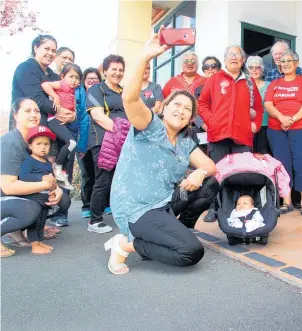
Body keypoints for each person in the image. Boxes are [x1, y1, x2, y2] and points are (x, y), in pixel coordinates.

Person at [104, 28, 219, 274]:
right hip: (137, 207)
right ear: (164, 108)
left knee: (210, 183)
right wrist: (145, 57)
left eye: (187, 109)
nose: (181, 110)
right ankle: (125, 244)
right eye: (176, 104)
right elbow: (130, 98)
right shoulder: (149, 126)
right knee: (190, 252)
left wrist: (198, 173)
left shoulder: (185, 141)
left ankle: (171, 232)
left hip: (164, 201)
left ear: (191, 118)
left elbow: (210, 167)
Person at [198, 44, 263, 222]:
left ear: (243, 60)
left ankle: (240, 208)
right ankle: (214, 207)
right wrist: (211, 121)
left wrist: (255, 124)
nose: (234, 57)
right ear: (225, 59)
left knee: (241, 174)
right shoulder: (214, 79)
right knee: (216, 173)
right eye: (230, 55)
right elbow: (202, 104)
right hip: (218, 136)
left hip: (242, 137)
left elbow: (258, 107)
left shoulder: (249, 82)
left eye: (238, 55)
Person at [1, 98, 71, 258]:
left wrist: (56, 189)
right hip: (4, 195)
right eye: (27, 111)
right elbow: (8, 187)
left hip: (20, 193)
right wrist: (46, 186)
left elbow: (47, 176)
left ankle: (27, 228)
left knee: (62, 200)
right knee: (32, 209)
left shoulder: (38, 143)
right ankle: (22, 222)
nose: (33, 114)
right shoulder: (11, 142)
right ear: (15, 115)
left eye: (37, 111)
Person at [264, 50, 302, 216]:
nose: (285, 63)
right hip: (277, 129)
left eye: (289, 60)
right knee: (283, 165)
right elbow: (268, 105)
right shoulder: (274, 83)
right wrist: (282, 118)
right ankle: (286, 201)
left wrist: (292, 119)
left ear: (296, 63)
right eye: (283, 61)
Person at [85, 54, 127, 234]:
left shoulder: (124, 91)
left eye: (120, 70)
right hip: (103, 140)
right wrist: (121, 133)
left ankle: (122, 214)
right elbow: (97, 115)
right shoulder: (96, 89)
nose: (117, 73)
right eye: (114, 69)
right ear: (105, 71)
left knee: (121, 180)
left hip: (124, 141)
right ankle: (95, 220)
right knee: (102, 180)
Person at [18, 126, 62, 254]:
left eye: (46, 144)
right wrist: (41, 178)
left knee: (42, 221)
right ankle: (34, 245)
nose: (43, 147)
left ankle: (40, 241)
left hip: (45, 198)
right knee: (35, 221)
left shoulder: (47, 162)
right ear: (30, 145)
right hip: (33, 198)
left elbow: (52, 178)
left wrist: (54, 188)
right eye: (38, 144)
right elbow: (24, 176)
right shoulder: (29, 161)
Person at [41, 63, 82, 188]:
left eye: (77, 77)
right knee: (71, 143)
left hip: (63, 121)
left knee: (70, 148)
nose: (74, 80)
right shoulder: (62, 84)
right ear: (63, 76)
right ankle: (57, 167)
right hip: (54, 119)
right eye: (71, 76)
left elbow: (73, 106)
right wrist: (54, 96)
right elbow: (45, 84)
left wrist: (73, 113)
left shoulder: (72, 90)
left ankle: (61, 175)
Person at [76, 67, 102, 218]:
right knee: (87, 176)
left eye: (95, 79)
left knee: (101, 176)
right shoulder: (79, 97)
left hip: (99, 142)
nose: (92, 81)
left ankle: (102, 205)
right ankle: (86, 206)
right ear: (84, 82)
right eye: (89, 79)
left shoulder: (103, 95)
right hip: (83, 143)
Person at [246, 56, 271, 154]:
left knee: (263, 155)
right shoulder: (243, 84)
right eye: (251, 67)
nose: (254, 70)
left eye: (257, 67)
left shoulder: (269, 85)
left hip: (265, 127)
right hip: (247, 127)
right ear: (247, 69)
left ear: (262, 69)